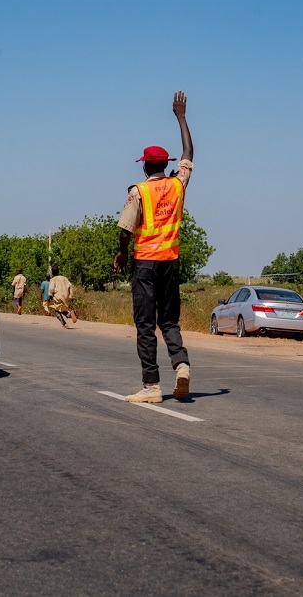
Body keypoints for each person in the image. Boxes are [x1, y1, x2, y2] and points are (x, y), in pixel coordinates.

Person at [113, 91, 194, 403]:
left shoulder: (139, 192)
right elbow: (189, 152)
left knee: (146, 326)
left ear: (144, 166)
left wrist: (122, 253)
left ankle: (151, 387)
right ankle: (182, 365)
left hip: (146, 264)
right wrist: (181, 116)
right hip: (171, 263)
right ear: (165, 164)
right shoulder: (178, 185)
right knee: (169, 320)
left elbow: (124, 229)